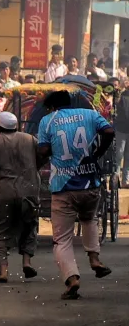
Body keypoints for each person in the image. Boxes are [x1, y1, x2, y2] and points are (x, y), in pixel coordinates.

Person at [38, 90, 115, 299]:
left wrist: (44, 157)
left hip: (63, 187)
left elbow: (43, 151)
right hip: (90, 184)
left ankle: (72, 279)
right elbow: (109, 132)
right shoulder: (89, 114)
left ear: (52, 107)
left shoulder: (47, 120)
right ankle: (94, 259)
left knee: (62, 239)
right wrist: (97, 154)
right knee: (90, 219)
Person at [0, 111, 40, 283]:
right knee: (29, 226)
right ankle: (27, 262)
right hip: (28, 189)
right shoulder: (30, 139)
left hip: (3, 192)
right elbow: (42, 158)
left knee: (0, 231)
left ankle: (3, 271)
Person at [115, 82, 129, 184]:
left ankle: (125, 180)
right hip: (121, 128)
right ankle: (116, 178)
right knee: (119, 154)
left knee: (128, 156)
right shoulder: (122, 95)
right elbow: (116, 105)